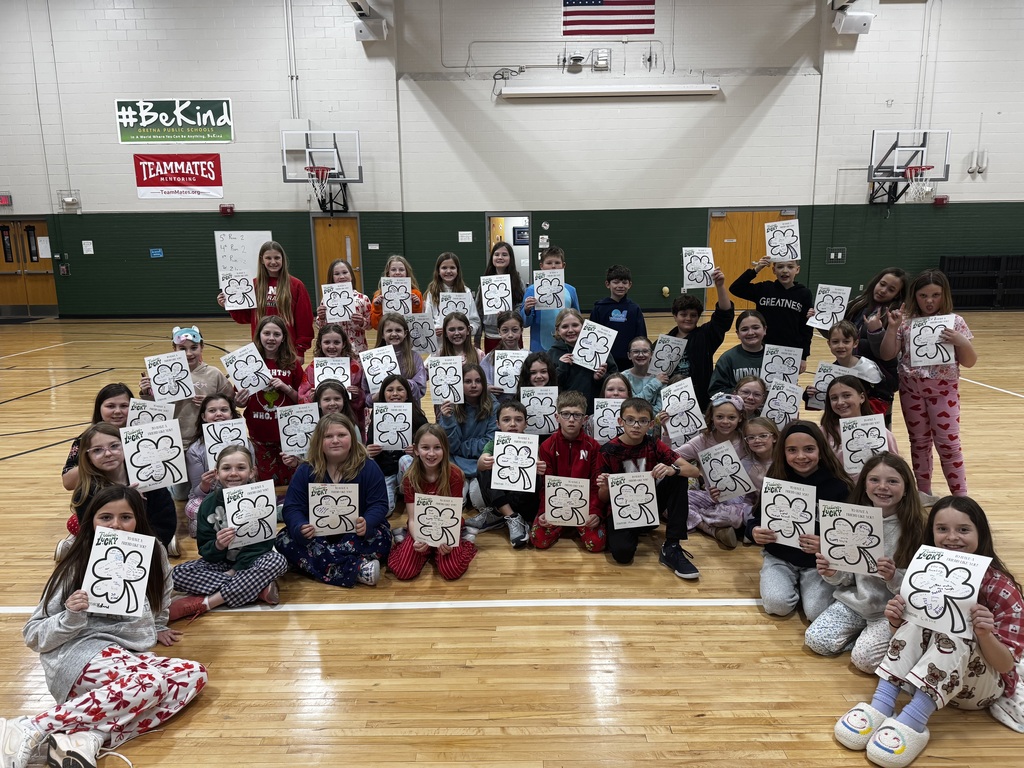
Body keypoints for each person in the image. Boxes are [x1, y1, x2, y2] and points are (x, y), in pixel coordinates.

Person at [4, 486, 206, 768]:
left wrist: (157, 626)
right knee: (151, 683)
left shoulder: (153, 552)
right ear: (92, 521)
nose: (116, 525)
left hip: (127, 661)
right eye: (106, 517)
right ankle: (29, 727)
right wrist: (71, 616)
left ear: (138, 520)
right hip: (77, 657)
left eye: (126, 517)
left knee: (193, 675)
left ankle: (86, 737)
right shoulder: (78, 561)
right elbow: (34, 635)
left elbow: (161, 598)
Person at [834, 496, 1024, 767]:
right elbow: (907, 635)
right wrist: (895, 621)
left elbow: (1006, 664)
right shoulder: (926, 571)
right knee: (915, 619)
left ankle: (913, 720)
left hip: (979, 690)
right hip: (925, 680)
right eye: (942, 529)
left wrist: (984, 634)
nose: (952, 537)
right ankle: (881, 704)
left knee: (958, 627)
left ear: (980, 533)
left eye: (964, 530)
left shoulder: (1001, 588)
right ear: (931, 532)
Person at [806, 453, 927, 672]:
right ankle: (863, 642)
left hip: (889, 612)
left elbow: (919, 588)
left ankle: (873, 645)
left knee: (865, 662)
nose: (882, 487)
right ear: (864, 485)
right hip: (855, 603)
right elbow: (845, 578)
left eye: (892, 481)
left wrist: (893, 577)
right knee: (816, 641)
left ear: (907, 487)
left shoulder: (916, 528)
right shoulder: (852, 519)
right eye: (874, 480)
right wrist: (832, 572)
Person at [879, 270, 976, 496]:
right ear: (915, 296)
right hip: (911, 390)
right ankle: (924, 493)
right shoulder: (906, 322)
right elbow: (887, 354)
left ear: (945, 295)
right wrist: (892, 328)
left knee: (949, 445)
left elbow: (969, 361)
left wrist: (962, 342)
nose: (929, 301)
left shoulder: (955, 322)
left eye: (935, 295)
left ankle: (960, 497)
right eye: (923, 295)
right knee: (919, 444)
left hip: (944, 393)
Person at [746, 421, 854, 620]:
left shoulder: (838, 485)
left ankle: (806, 588)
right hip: (779, 557)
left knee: (816, 613)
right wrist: (754, 531)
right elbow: (756, 518)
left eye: (809, 449)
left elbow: (849, 538)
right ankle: (789, 584)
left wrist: (826, 544)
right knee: (777, 605)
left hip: (818, 563)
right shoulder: (777, 477)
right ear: (783, 452)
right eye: (792, 450)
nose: (801, 456)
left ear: (821, 451)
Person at [169, 446, 289, 622]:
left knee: (278, 561)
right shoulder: (208, 504)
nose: (233, 473)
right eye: (226, 468)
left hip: (254, 561)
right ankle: (257, 589)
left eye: (241, 468)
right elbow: (204, 549)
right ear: (217, 473)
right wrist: (218, 545)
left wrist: (234, 572)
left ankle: (208, 602)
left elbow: (262, 546)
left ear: (252, 472)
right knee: (177, 574)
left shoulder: (261, 498)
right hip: (221, 564)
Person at [276, 414, 392, 587]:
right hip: (317, 534)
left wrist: (368, 522)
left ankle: (314, 562)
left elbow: (380, 504)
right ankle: (358, 570)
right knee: (284, 539)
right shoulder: (306, 470)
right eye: (328, 436)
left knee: (382, 538)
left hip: (356, 534)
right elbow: (292, 507)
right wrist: (300, 526)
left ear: (352, 438)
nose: (335, 440)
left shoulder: (368, 466)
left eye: (341, 435)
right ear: (318, 442)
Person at [596, 397, 700, 578]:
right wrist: (605, 487)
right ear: (620, 421)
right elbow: (603, 499)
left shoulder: (653, 443)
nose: (636, 425)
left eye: (642, 421)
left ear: (651, 424)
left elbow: (693, 471)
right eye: (630, 420)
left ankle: (672, 546)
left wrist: (671, 469)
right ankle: (631, 533)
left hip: (649, 507)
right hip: (622, 512)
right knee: (622, 555)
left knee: (678, 477)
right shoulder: (607, 450)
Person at [66, 423, 177, 551]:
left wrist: (138, 506)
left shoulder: (149, 481)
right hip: (104, 553)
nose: (108, 453)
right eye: (97, 450)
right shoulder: (85, 492)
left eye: (114, 446)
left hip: (148, 548)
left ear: (127, 447)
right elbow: (90, 535)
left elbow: (166, 523)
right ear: (88, 458)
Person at [387, 425, 477, 580]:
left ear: (445, 449)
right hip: (421, 527)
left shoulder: (455, 475)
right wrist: (418, 539)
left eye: (437, 448)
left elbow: (452, 517)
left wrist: (448, 542)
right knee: (403, 571)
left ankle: (464, 541)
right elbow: (414, 518)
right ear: (416, 450)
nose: (431, 453)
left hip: (447, 527)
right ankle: (409, 541)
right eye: (425, 447)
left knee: (451, 571)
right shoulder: (410, 477)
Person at [530, 391, 606, 553]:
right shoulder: (546, 446)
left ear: (585, 419)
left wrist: (595, 512)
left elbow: (595, 483)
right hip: (556, 505)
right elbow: (546, 485)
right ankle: (564, 526)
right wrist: (545, 511)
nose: (571, 420)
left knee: (596, 544)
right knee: (539, 540)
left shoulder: (594, 447)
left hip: (584, 507)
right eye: (565, 414)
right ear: (557, 417)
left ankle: (572, 526)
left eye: (577, 415)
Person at [675, 393, 752, 549]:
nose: (725, 422)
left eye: (731, 417)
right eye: (720, 417)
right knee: (672, 503)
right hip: (710, 497)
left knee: (740, 514)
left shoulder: (747, 441)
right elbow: (671, 455)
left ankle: (711, 521)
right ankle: (713, 529)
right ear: (711, 417)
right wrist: (665, 433)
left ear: (740, 418)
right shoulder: (702, 440)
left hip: (739, 501)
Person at [138, 325, 234, 448]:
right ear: (174, 349)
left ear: (202, 347)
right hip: (173, 441)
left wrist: (211, 402)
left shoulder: (214, 374)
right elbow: (153, 410)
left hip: (207, 441)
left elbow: (231, 403)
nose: (189, 353)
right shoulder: (161, 375)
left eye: (194, 348)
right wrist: (146, 392)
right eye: (182, 349)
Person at [465, 401, 545, 548]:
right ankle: (511, 517)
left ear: (526, 424)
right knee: (484, 468)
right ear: (498, 424)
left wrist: (539, 468)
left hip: (525, 499)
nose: (513, 424)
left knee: (536, 474)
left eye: (518, 420)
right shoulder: (493, 444)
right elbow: (482, 461)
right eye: (506, 420)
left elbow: (539, 463)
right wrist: (483, 461)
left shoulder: (532, 443)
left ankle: (501, 515)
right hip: (502, 496)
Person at [236, 316, 305, 487]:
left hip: (288, 435)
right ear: (259, 335)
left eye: (276, 334)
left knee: (291, 480)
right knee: (265, 481)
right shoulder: (247, 363)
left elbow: (303, 400)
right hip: (259, 435)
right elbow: (239, 401)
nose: (271, 338)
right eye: (266, 333)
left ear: (283, 338)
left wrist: (285, 388)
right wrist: (239, 401)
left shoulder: (292, 364)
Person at [219, 240, 314, 358]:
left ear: (283, 259)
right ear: (262, 260)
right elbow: (245, 318)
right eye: (268, 258)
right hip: (261, 349)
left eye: (277, 258)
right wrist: (230, 305)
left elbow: (304, 320)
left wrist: (300, 350)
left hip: (288, 350)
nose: (273, 262)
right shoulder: (252, 285)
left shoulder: (296, 285)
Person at [663, 271, 735, 410]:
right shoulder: (665, 343)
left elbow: (724, 316)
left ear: (698, 317)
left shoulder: (705, 336)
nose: (688, 318)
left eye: (693, 315)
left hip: (700, 398)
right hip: (672, 397)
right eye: (683, 314)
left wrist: (720, 286)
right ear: (674, 316)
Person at [729, 255, 813, 372]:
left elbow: (806, 327)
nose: (785, 270)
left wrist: (804, 356)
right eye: (780, 267)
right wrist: (756, 269)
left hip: (790, 352)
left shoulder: (804, 293)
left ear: (797, 269)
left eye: (790, 266)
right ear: (774, 270)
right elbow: (735, 288)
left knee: (784, 388)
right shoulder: (764, 289)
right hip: (762, 349)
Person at [184, 393, 249, 538]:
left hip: (240, 494)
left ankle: (223, 525)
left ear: (232, 414)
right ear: (203, 417)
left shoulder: (245, 443)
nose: (219, 414)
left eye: (224, 410)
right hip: (211, 497)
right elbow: (197, 492)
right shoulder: (195, 450)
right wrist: (205, 484)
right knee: (193, 508)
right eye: (212, 411)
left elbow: (252, 478)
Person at [365, 375, 429, 516]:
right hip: (386, 473)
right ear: (383, 394)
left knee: (405, 460)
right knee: (385, 511)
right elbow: (368, 445)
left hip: (409, 471)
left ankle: (415, 495)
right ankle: (396, 491)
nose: (395, 394)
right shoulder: (376, 415)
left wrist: (418, 450)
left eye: (400, 389)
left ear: (407, 394)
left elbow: (429, 445)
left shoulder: (418, 417)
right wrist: (369, 451)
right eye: (390, 390)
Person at [804, 320, 894, 418]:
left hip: (866, 422)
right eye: (835, 342)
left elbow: (884, 398)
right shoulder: (829, 373)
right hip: (837, 422)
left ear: (855, 343)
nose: (840, 346)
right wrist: (809, 394)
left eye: (846, 341)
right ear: (829, 344)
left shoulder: (868, 368)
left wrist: (863, 413)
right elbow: (822, 401)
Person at [439, 364, 497, 513]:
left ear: (484, 384)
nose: (473, 385)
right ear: (459, 383)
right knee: (457, 502)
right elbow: (450, 446)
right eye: (468, 381)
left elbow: (491, 441)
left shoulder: (494, 406)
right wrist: (447, 419)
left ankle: (474, 482)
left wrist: (462, 447)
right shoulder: (450, 407)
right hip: (455, 462)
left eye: (478, 381)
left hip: (481, 463)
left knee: (479, 502)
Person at [819, 376, 899, 481]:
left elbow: (896, 467)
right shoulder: (823, 433)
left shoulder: (882, 433)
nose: (840, 402)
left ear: (862, 397)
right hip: (837, 492)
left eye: (846, 395)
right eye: (834, 398)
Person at [60, 383, 133, 493]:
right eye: (110, 406)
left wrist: (148, 396)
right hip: (99, 499)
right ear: (99, 408)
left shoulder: (143, 434)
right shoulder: (86, 439)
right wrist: (93, 459)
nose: (117, 411)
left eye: (124, 406)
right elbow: (68, 483)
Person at [298, 323, 366, 435]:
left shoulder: (355, 367)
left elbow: (364, 397)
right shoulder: (312, 367)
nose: (332, 346)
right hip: (321, 422)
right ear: (320, 344)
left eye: (336, 342)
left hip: (348, 420)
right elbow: (301, 396)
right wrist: (310, 397)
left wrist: (356, 395)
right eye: (327, 342)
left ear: (344, 344)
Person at [549, 308, 617, 413]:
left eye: (575, 325)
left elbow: (615, 378)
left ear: (583, 326)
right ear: (558, 330)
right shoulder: (553, 353)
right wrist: (561, 369)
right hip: (567, 412)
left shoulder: (600, 349)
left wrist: (601, 377)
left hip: (595, 409)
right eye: (565, 327)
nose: (570, 330)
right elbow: (549, 386)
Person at [361, 313, 427, 408]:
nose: (394, 334)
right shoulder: (371, 360)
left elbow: (420, 389)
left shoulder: (414, 358)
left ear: (405, 333)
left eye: (398, 330)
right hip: (383, 414)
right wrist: (374, 397)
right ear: (382, 335)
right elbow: (366, 397)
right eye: (389, 330)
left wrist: (400, 384)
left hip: (411, 412)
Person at [521, 246, 580, 353]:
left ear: (563, 265)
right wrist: (527, 310)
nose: (553, 266)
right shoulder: (531, 290)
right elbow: (525, 323)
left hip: (567, 347)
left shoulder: (571, 290)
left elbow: (578, 319)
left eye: (557, 262)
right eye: (549, 263)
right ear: (541, 266)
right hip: (540, 347)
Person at [589, 264, 647, 372]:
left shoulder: (634, 309)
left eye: (624, 282)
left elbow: (641, 336)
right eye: (616, 282)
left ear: (630, 285)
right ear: (607, 284)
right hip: (605, 360)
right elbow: (592, 336)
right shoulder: (599, 308)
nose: (620, 286)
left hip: (629, 361)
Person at [475, 241, 526, 353]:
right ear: (492, 257)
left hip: (513, 333)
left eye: (504, 254)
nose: (500, 257)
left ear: (510, 258)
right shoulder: (485, 282)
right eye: (496, 254)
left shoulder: (518, 281)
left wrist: (510, 315)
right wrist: (477, 339)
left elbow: (521, 305)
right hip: (491, 335)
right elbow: (478, 311)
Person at [314, 258, 373, 353]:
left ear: (351, 275)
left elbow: (371, 325)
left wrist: (362, 321)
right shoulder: (326, 300)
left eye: (345, 272)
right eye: (337, 274)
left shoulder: (363, 299)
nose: (341, 277)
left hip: (358, 350)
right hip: (334, 351)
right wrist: (321, 317)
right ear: (332, 277)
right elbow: (322, 328)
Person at [707, 311, 768, 395]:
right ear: (738, 334)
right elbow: (715, 390)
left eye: (755, 327)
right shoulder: (728, 359)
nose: (750, 332)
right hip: (736, 407)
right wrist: (740, 395)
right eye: (744, 329)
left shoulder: (776, 357)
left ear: (764, 330)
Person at [422, 251, 481, 337]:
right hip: (440, 343)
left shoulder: (466, 291)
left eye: (452, 268)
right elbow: (427, 320)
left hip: (461, 343)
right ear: (438, 271)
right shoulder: (432, 292)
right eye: (444, 268)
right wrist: (434, 329)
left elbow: (475, 321)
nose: (448, 271)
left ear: (458, 271)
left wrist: (469, 329)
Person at [481, 310, 525, 405]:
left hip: (523, 407)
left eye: (515, 330)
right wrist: (487, 388)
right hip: (496, 407)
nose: (510, 335)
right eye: (505, 330)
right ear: (498, 331)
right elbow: (480, 382)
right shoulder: (489, 358)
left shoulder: (529, 357)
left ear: (521, 330)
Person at [369, 255, 423, 329]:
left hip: (409, 336)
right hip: (387, 336)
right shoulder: (379, 295)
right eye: (393, 270)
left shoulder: (416, 294)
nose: (397, 272)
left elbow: (417, 323)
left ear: (407, 272)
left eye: (401, 270)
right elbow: (375, 325)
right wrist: (377, 308)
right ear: (388, 273)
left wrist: (416, 306)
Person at [620, 336, 665, 414]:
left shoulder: (661, 376)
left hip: (654, 423)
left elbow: (661, 407)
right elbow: (633, 405)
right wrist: (655, 383)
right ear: (629, 355)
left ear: (652, 354)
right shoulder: (623, 378)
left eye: (645, 351)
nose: (641, 355)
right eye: (636, 351)